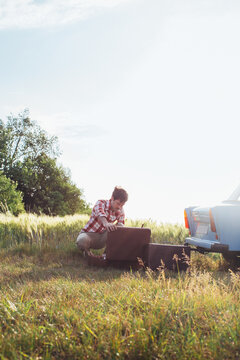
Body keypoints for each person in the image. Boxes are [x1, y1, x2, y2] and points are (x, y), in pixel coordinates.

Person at [76, 186, 128, 255]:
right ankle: (87, 253)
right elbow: (100, 214)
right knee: (82, 240)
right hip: (89, 235)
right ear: (112, 198)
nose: (119, 207)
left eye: (122, 205)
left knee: (120, 227)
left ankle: (106, 255)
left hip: (103, 237)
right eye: (118, 203)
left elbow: (121, 228)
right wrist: (106, 224)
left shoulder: (121, 211)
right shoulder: (101, 203)